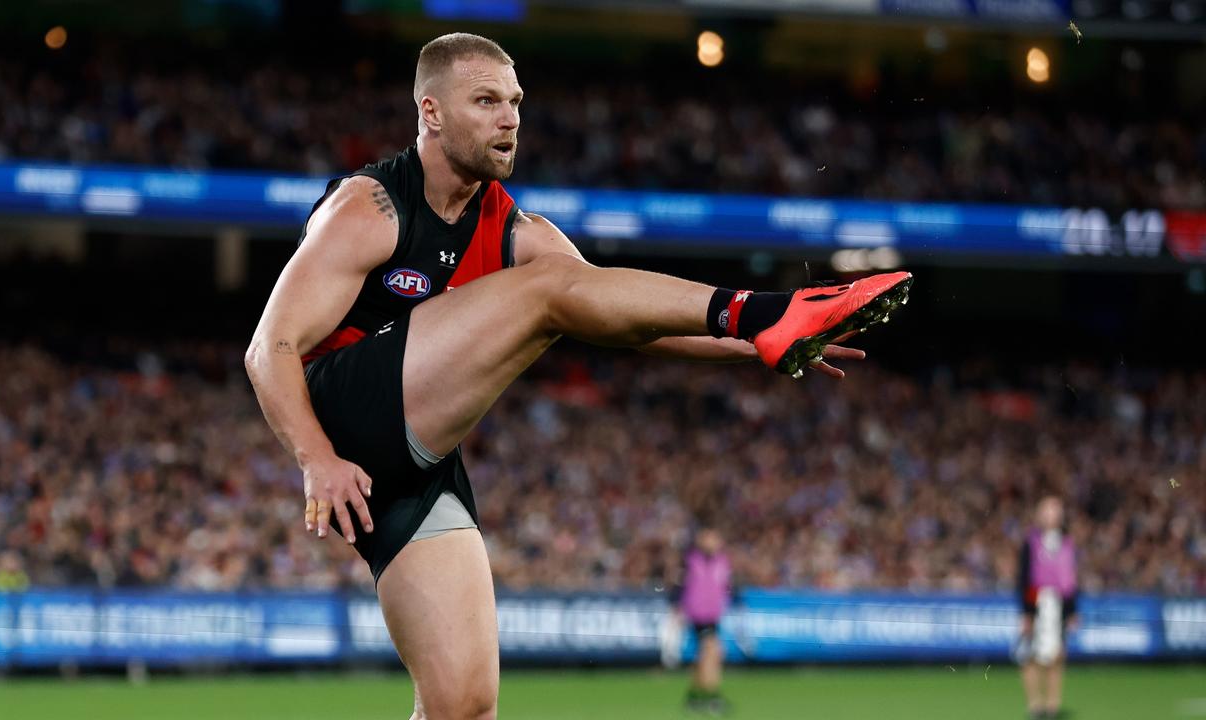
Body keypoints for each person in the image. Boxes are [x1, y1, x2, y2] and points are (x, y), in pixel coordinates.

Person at [244, 32, 911, 720]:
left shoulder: (518, 230)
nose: (510, 118)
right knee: (548, 289)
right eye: (486, 101)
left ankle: (763, 325)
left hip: (412, 468)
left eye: (515, 102)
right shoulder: (370, 207)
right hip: (341, 413)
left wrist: (757, 352)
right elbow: (271, 346)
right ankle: (764, 310)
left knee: (464, 706)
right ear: (431, 112)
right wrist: (315, 456)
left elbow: (614, 313)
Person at [1015, 495, 1080, 720]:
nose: (1052, 515)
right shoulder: (1030, 542)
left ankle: (1053, 705)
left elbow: (1070, 579)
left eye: (1055, 510)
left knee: (1057, 655)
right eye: (1047, 510)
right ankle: (1035, 704)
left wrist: (1072, 611)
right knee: (1028, 655)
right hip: (1036, 600)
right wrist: (1027, 612)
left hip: (1058, 604)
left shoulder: (1067, 542)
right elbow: (1024, 578)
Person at [675, 526, 733, 715]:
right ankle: (713, 697)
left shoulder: (723, 562)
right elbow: (679, 586)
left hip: (713, 615)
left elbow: (725, 587)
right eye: (708, 538)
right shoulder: (690, 561)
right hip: (698, 615)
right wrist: (680, 609)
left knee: (705, 657)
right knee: (713, 651)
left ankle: (694, 696)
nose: (712, 542)